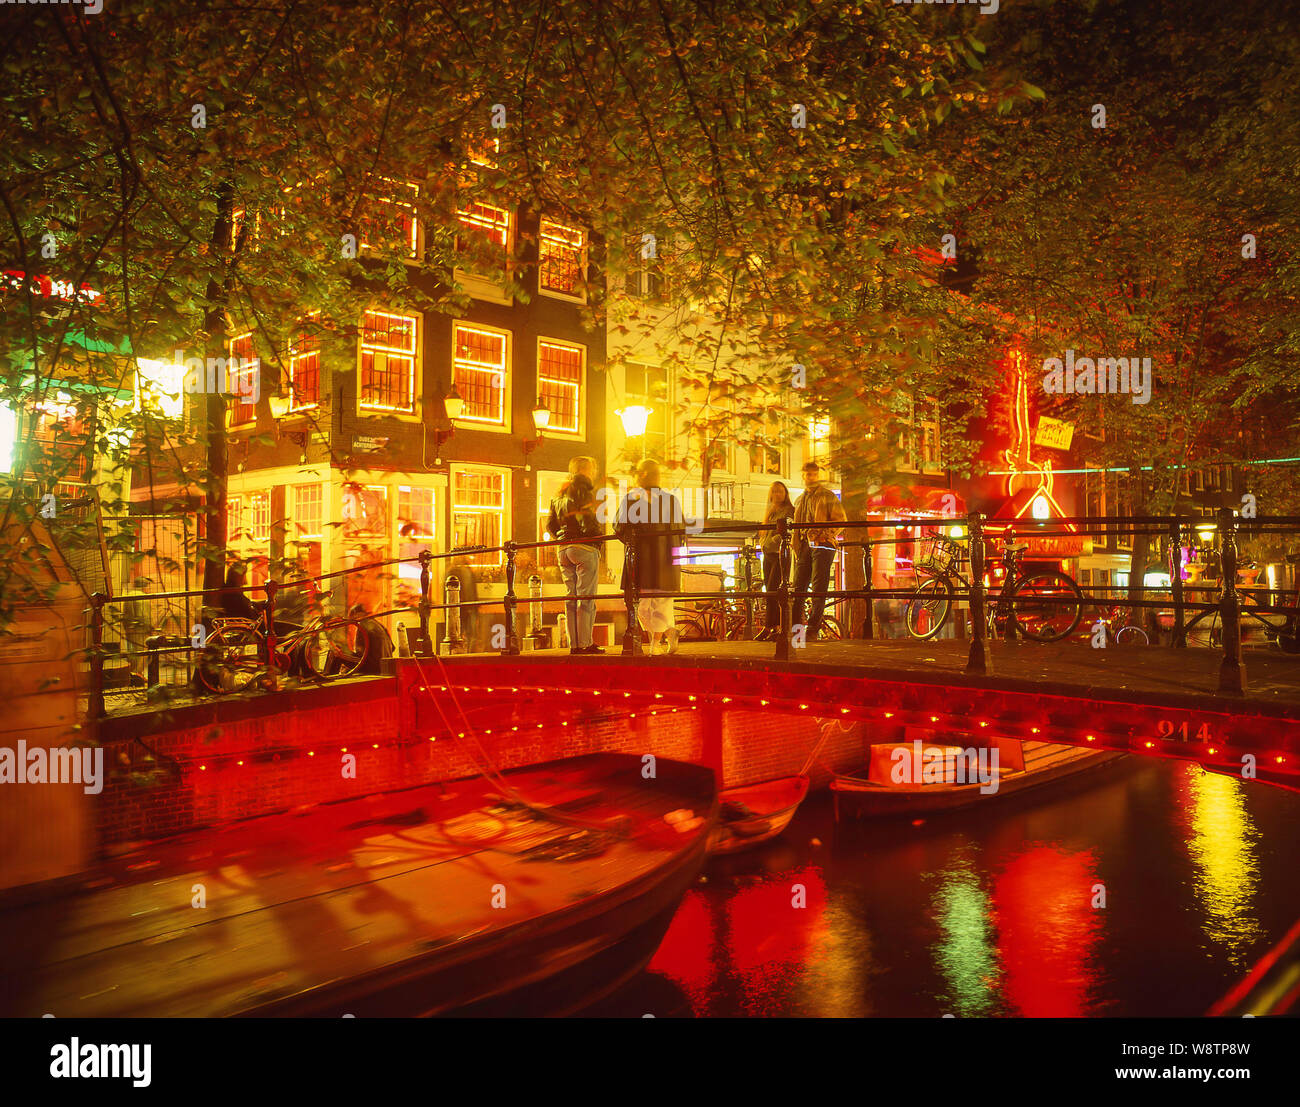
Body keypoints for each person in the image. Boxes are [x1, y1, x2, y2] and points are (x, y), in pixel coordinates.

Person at [615, 458, 686, 655]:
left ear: (642, 475)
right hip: (660, 560)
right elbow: (681, 532)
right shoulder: (670, 500)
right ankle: (668, 632)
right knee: (651, 604)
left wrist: (633, 541)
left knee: (646, 603)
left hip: (646, 559)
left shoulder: (633, 499)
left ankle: (655, 644)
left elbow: (619, 527)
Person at [546, 455, 605, 655]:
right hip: (584, 547)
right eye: (593, 469)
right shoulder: (585, 489)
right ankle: (586, 643)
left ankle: (574, 645)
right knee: (586, 596)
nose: (594, 473)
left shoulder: (558, 494)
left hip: (563, 549)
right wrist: (599, 538)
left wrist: (561, 538)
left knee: (571, 596)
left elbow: (550, 525)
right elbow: (587, 520)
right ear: (587, 469)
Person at [791, 460, 847, 641]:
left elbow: (840, 520)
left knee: (818, 586)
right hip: (805, 543)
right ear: (804, 476)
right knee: (799, 586)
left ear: (818, 476)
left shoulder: (828, 496)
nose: (811, 477)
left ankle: (812, 629)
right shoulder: (800, 499)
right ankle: (796, 630)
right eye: (808, 474)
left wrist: (825, 534)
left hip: (822, 543)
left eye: (814, 474)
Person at [756, 481, 795, 641]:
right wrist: (763, 542)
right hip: (768, 555)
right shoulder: (771, 512)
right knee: (769, 591)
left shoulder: (789, 511)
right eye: (775, 492)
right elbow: (765, 532)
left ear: (785, 494)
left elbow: (788, 531)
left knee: (775, 589)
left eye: (780, 491)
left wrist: (771, 541)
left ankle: (777, 627)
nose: (777, 494)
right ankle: (769, 626)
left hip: (780, 554)